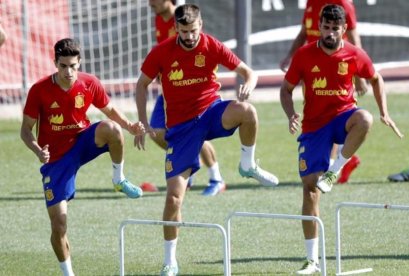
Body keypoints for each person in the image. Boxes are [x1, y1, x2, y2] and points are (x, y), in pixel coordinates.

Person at [135, 4, 279, 275]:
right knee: (174, 199)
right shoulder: (162, 52)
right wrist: (143, 121)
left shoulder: (211, 45)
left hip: (211, 112)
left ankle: (247, 165)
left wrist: (249, 83)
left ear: (201, 25)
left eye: (194, 30)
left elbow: (250, 72)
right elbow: (141, 84)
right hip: (181, 129)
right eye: (185, 31)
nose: (190, 36)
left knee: (247, 112)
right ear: (176, 28)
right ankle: (170, 261)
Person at [279, 5, 402, 274]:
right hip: (313, 127)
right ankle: (312, 260)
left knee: (365, 119)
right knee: (310, 189)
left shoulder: (354, 54)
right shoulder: (304, 55)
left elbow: (376, 78)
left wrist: (384, 112)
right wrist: (290, 115)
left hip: (344, 117)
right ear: (319, 27)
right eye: (326, 27)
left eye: (336, 28)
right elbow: (286, 90)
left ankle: (335, 170)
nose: (330, 33)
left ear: (343, 30)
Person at [20, 38, 145, 276]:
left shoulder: (90, 83)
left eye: (73, 66)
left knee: (112, 129)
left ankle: (118, 180)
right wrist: (37, 150)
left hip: (82, 142)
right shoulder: (39, 90)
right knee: (59, 224)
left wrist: (130, 126)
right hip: (55, 158)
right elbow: (25, 129)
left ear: (79, 63)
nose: (69, 72)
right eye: (63, 66)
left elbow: (108, 110)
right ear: (55, 63)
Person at [280, 0, 367, 184]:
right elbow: (304, 32)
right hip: (312, 67)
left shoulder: (343, 4)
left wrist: (359, 77)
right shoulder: (311, 2)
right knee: (320, 112)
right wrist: (290, 55)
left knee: (333, 112)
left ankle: (334, 166)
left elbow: (354, 37)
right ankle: (335, 164)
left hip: (337, 65)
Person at [149, 0, 225, 196]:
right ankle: (188, 161)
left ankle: (216, 178)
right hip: (170, 90)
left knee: (196, 130)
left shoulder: (185, 20)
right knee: (156, 132)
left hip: (190, 93)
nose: (150, 2)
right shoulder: (160, 19)